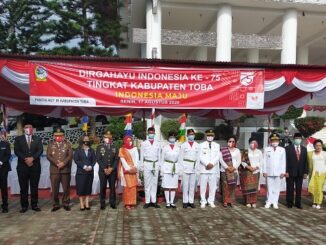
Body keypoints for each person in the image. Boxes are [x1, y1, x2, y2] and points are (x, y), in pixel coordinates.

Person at [14, 123, 43, 213]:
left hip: (35, 167)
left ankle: (34, 205)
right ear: (23, 129)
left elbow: (40, 150)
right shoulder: (18, 139)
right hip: (22, 167)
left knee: (34, 186)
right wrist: (25, 159)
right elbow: (16, 151)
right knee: (23, 187)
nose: (28, 128)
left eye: (30, 127)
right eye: (26, 127)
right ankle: (24, 206)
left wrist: (32, 158)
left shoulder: (38, 139)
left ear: (32, 129)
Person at [47, 128, 73, 212]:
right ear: (54, 136)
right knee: (55, 188)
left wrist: (63, 163)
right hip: (54, 170)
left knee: (66, 188)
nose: (59, 137)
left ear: (63, 136)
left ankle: (66, 203)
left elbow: (70, 156)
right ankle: (55, 204)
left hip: (65, 170)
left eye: (60, 136)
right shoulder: (50, 145)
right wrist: (57, 163)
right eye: (57, 136)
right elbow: (48, 156)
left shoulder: (68, 144)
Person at [263, 133, 286, 209]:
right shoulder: (266, 149)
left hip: (278, 172)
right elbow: (264, 161)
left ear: (279, 141)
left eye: (276, 140)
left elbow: (283, 161)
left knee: (277, 188)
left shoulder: (282, 150)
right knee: (269, 188)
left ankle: (275, 202)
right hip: (269, 172)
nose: (274, 142)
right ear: (270, 141)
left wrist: (283, 172)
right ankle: (269, 201)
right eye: (273, 140)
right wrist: (264, 171)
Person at [96, 130, 118, 210]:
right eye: (106, 137)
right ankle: (102, 203)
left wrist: (112, 168)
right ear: (103, 138)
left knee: (112, 187)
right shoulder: (99, 147)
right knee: (103, 187)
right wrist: (104, 168)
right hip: (103, 171)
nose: (108, 139)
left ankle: (113, 203)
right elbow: (98, 159)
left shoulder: (114, 147)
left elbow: (116, 159)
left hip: (112, 171)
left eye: (109, 137)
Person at [285, 132, 308, 209]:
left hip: (300, 172)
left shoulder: (304, 149)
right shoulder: (288, 148)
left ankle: (298, 203)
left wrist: (306, 172)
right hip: (290, 172)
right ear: (293, 139)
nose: (298, 140)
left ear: (301, 139)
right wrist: (286, 171)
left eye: (299, 138)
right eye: (296, 138)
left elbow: (305, 162)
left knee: (299, 189)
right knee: (290, 188)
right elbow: (286, 161)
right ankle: (289, 203)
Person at [199, 129, 220, 209]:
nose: (210, 137)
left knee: (212, 186)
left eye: (211, 135)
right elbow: (200, 156)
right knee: (203, 186)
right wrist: (207, 164)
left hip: (213, 168)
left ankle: (211, 201)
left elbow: (217, 156)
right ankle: (203, 201)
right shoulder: (201, 145)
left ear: (214, 136)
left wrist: (212, 163)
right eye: (208, 135)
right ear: (206, 136)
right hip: (204, 168)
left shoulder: (217, 145)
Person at [140, 127, 161, 209]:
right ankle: (147, 201)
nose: (151, 134)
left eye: (153, 133)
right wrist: (141, 166)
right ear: (148, 134)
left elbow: (159, 156)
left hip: (155, 164)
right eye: (150, 133)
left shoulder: (158, 143)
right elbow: (141, 156)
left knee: (155, 183)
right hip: (147, 164)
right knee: (147, 183)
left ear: (154, 133)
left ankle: (154, 201)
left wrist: (159, 165)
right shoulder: (144, 143)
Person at [74, 135, 96, 211]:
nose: (86, 140)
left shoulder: (91, 150)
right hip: (81, 172)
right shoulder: (78, 150)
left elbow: (94, 160)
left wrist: (90, 166)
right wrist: (84, 166)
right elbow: (76, 160)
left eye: (87, 139)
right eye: (85, 139)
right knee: (81, 188)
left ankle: (87, 203)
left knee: (88, 187)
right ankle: (81, 203)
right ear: (82, 140)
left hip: (90, 172)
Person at [239, 137, 263, 208]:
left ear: (257, 144)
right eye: (252, 143)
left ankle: (254, 201)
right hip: (247, 171)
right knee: (247, 187)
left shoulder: (259, 152)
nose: (253, 144)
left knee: (254, 187)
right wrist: (248, 167)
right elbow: (242, 161)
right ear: (249, 143)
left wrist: (256, 167)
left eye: (255, 143)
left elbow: (261, 161)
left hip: (256, 171)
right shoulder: (245, 151)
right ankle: (247, 202)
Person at [179, 129, 200, 208]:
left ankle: (191, 201)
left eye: (193, 134)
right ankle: (185, 201)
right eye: (190, 134)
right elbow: (180, 157)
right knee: (185, 185)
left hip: (194, 167)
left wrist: (197, 168)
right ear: (187, 135)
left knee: (192, 185)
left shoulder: (197, 145)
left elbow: (198, 157)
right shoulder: (183, 145)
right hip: (185, 166)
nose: (192, 136)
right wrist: (181, 168)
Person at [220, 135, 241, 208]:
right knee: (225, 186)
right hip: (224, 170)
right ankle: (225, 200)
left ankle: (231, 200)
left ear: (235, 142)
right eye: (230, 141)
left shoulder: (237, 150)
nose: (231, 143)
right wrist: (227, 167)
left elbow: (239, 161)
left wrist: (234, 168)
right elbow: (221, 160)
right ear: (227, 142)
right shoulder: (223, 150)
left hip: (234, 171)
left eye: (233, 141)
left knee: (232, 186)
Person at [119, 135, 139, 209]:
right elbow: (122, 160)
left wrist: (135, 167)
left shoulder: (135, 149)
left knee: (133, 187)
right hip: (126, 170)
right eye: (127, 140)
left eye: (130, 140)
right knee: (127, 187)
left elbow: (137, 158)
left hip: (134, 170)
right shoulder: (122, 149)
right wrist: (128, 168)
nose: (129, 142)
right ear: (124, 141)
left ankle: (132, 202)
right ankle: (127, 203)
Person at [161, 131, 180, 208]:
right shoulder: (165, 148)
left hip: (175, 167)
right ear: (168, 138)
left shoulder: (178, 148)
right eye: (171, 137)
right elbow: (162, 159)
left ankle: (172, 202)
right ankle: (167, 202)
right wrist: (162, 170)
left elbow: (180, 159)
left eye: (173, 137)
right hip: (167, 167)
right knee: (166, 185)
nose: (172, 138)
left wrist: (179, 169)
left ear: (175, 139)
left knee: (173, 185)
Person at [308, 139, 326, 209]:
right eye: (317, 145)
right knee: (313, 188)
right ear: (314, 146)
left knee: (319, 188)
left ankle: (319, 203)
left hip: (322, 173)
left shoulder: (324, 153)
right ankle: (314, 202)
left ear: (322, 146)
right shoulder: (310, 153)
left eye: (320, 145)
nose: (318, 147)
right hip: (313, 173)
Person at [0, 131, 11, 213]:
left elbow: (8, 155)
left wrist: (1, 162)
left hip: (3, 168)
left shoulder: (5, 144)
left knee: (4, 187)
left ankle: (5, 205)